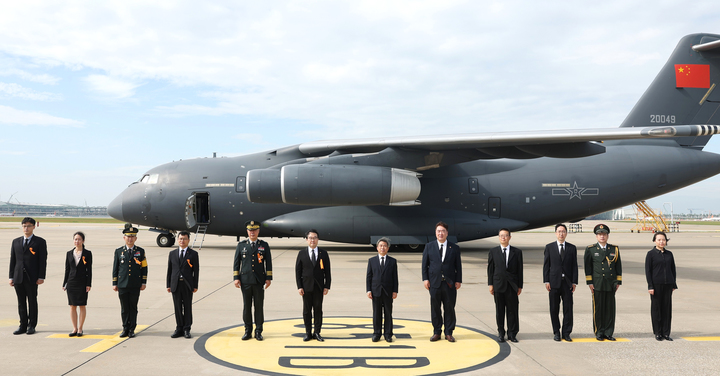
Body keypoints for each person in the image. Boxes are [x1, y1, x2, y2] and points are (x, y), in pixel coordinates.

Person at [422, 221, 462, 342]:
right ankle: (437, 332)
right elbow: (425, 265)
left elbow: (458, 266)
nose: (441, 233)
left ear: (447, 233)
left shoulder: (454, 248)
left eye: (443, 231)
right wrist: (425, 279)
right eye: (438, 231)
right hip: (434, 283)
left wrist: (458, 280)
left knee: (449, 308)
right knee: (435, 308)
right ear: (435, 233)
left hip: (449, 283)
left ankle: (449, 332)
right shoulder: (429, 246)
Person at [233, 220, 272, 341]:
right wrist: (236, 278)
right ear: (247, 231)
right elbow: (236, 263)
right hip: (245, 281)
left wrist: (268, 278)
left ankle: (259, 331)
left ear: (258, 231)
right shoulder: (241, 245)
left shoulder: (264, 245)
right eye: (250, 230)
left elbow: (268, 263)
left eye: (254, 230)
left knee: (259, 306)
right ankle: (247, 330)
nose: (252, 232)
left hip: (259, 280)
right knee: (247, 306)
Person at [8, 217, 47, 335]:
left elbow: (42, 261)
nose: (26, 228)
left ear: (34, 227)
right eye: (24, 226)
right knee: (21, 302)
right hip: (18, 276)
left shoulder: (40, 242)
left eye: (29, 226)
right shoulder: (16, 241)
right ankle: (22, 325)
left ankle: (32, 325)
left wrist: (41, 276)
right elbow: (13, 260)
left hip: (32, 277)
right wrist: (11, 277)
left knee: (32, 301)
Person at [584, 223, 622, 341]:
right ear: (596, 236)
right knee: (598, 309)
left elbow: (618, 266)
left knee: (610, 309)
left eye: (604, 234)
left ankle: (608, 332)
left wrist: (618, 282)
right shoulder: (591, 249)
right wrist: (590, 282)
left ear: (607, 236)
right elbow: (588, 267)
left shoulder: (614, 249)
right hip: (597, 284)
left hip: (611, 283)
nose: (602, 236)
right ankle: (599, 332)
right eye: (600, 234)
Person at [487, 228, 523, 343]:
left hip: (512, 286)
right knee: (500, 310)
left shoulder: (517, 252)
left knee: (512, 310)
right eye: (501, 235)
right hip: (498, 285)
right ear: (499, 237)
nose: (503, 237)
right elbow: (490, 270)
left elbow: (520, 270)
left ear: (509, 237)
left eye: (506, 235)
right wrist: (490, 284)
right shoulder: (493, 251)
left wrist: (519, 286)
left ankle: (512, 333)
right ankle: (501, 333)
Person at [543, 224, 577, 342]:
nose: (561, 234)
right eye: (559, 231)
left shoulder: (572, 248)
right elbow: (546, 266)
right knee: (554, 309)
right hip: (553, 283)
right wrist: (546, 280)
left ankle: (566, 333)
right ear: (555, 233)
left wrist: (574, 282)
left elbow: (574, 266)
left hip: (567, 283)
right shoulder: (549, 247)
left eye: (563, 231)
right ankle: (556, 332)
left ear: (566, 233)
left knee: (568, 309)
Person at [112, 224, 147, 338]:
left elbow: (144, 267)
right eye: (128, 236)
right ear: (124, 238)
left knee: (133, 307)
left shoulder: (140, 251)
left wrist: (143, 282)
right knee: (124, 308)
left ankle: (132, 329)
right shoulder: (119, 252)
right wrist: (114, 283)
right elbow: (115, 268)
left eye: (132, 236)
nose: (130, 238)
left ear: (136, 238)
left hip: (135, 284)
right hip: (122, 284)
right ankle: (125, 328)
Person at [295, 229, 331, 341]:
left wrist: (327, 286)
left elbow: (328, 272)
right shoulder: (301, 253)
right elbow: (298, 272)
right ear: (306, 240)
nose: (312, 240)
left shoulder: (323, 254)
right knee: (306, 311)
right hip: (306, 287)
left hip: (319, 287)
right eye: (310, 238)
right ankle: (308, 332)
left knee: (318, 310)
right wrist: (299, 286)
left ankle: (317, 332)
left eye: (315, 237)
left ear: (318, 239)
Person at [645, 232, 677, 341]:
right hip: (656, 285)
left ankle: (666, 333)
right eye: (659, 240)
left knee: (667, 309)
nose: (661, 242)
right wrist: (650, 286)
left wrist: (674, 284)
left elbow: (673, 269)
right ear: (654, 241)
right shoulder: (651, 254)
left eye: (663, 240)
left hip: (668, 285)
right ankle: (658, 332)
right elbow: (648, 271)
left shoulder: (669, 254)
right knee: (656, 309)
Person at [166, 231, 199, 339]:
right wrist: (168, 284)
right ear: (177, 240)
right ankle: (179, 328)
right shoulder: (172, 253)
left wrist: (195, 285)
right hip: (175, 284)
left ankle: (187, 328)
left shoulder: (193, 254)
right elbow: (169, 270)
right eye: (180, 239)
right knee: (177, 307)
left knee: (187, 307)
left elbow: (196, 271)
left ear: (188, 240)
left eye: (184, 239)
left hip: (187, 285)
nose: (182, 241)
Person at [366, 237, 398, 342]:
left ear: (388, 248)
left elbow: (395, 277)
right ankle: (377, 333)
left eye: (385, 246)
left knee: (388, 313)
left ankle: (388, 334)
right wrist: (368, 290)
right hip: (376, 291)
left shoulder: (392, 261)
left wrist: (395, 290)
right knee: (376, 313)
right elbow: (369, 277)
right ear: (377, 248)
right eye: (380, 246)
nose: (382, 248)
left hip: (388, 291)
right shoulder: (372, 261)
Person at [62, 231, 92, 337]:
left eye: (79, 239)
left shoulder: (87, 253)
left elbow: (89, 269)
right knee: (72, 306)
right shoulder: (69, 253)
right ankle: (74, 328)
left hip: (82, 282)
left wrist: (89, 284)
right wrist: (64, 283)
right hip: (71, 282)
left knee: (82, 305)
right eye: (75, 239)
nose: (77, 241)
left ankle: (80, 328)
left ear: (83, 241)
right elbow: (67, 269)